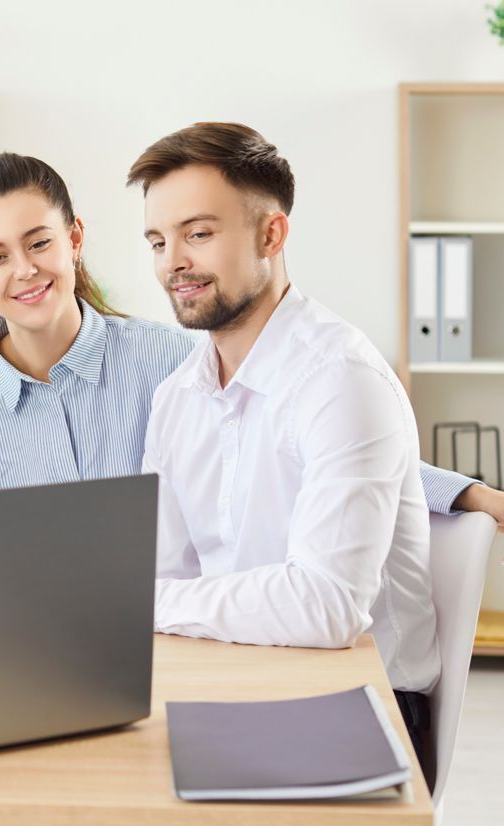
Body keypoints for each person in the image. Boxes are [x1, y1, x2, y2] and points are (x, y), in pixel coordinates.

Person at [0, 151, 492, 521]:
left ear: (75, 238)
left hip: (170, 640)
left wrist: (468, 494)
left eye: (39, 243)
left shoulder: (176, 360)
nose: (25, 270)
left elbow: (315, 454)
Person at [127, 122, 437, 783]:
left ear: (270, 234)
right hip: (233, 679)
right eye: (158, 241)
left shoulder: (340, 380)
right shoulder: (174, 398)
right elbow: (164, 575)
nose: (171, 261)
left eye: (198, 233)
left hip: (362, 706)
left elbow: (324, 606)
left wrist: (139, 603)